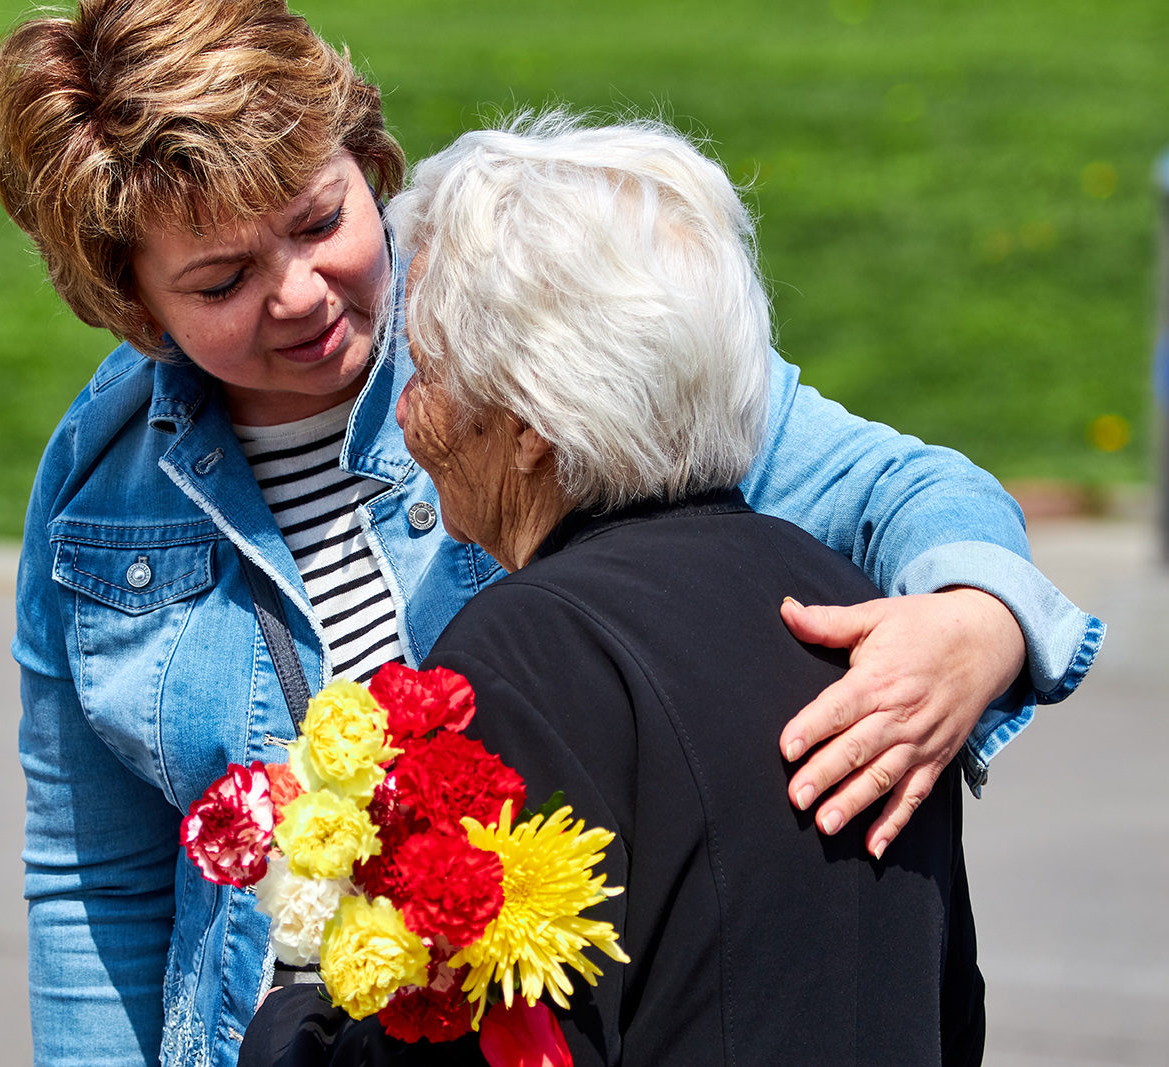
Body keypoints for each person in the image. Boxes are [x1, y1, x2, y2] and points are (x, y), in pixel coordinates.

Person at [0, 1, 1102, 1063]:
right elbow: (94, 877)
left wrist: (978, 613)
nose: (301, 293)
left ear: (366, 163)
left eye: (320, 221)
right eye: (221, 279)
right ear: (134, 305)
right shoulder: (99, 487)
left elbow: (894, 485)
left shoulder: (542, 325)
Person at [242, 114, 988, 1066]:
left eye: (424, 371)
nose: (403, 410)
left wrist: (292, 1019)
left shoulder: (530, 653)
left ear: (528, 426)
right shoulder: (857, 617)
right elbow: (943, 1007)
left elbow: (500, 1044)